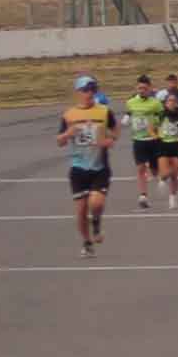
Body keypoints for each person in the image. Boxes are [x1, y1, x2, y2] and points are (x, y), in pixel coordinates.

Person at [54, 77, 118, 255]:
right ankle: (87, 241)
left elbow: (116, 129)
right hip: (78, 168)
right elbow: (59, 141)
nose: (90, 93)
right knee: (81, 210)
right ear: (78, 92)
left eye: (93, 89)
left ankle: (96, 222)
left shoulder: (104, 111)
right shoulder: (69, 115)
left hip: (100, 167)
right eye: (86, 90)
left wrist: (110, 140)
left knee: (96, 203)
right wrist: (68, 133)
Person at [122, 75, 166, 210]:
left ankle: (158, 177)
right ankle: (143, 196)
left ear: (150, 88)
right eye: (139, 88)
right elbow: (128, 113)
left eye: (144, 88)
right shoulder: (131, 102)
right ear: (137, 88)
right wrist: (126, 119)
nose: (142, 90)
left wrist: (158, 128)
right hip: (138, 140)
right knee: (141, 168)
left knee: (154, 169)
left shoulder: (155, 103)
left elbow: (162, 117)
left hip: (153, 140)